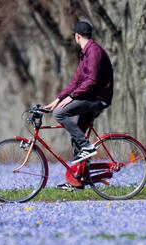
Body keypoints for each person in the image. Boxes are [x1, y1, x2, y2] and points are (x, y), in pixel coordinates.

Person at [45, 21, 113, 165]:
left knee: (59, 114)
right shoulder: (86, 53)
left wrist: (71, 97)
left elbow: (91, 81)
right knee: (77, 137)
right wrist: (58, 99)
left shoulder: (94, 52)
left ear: (77, 36)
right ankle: (77, 180)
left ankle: (88, 147)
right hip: (90, 96)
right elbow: (75, 82)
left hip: (98, 98)